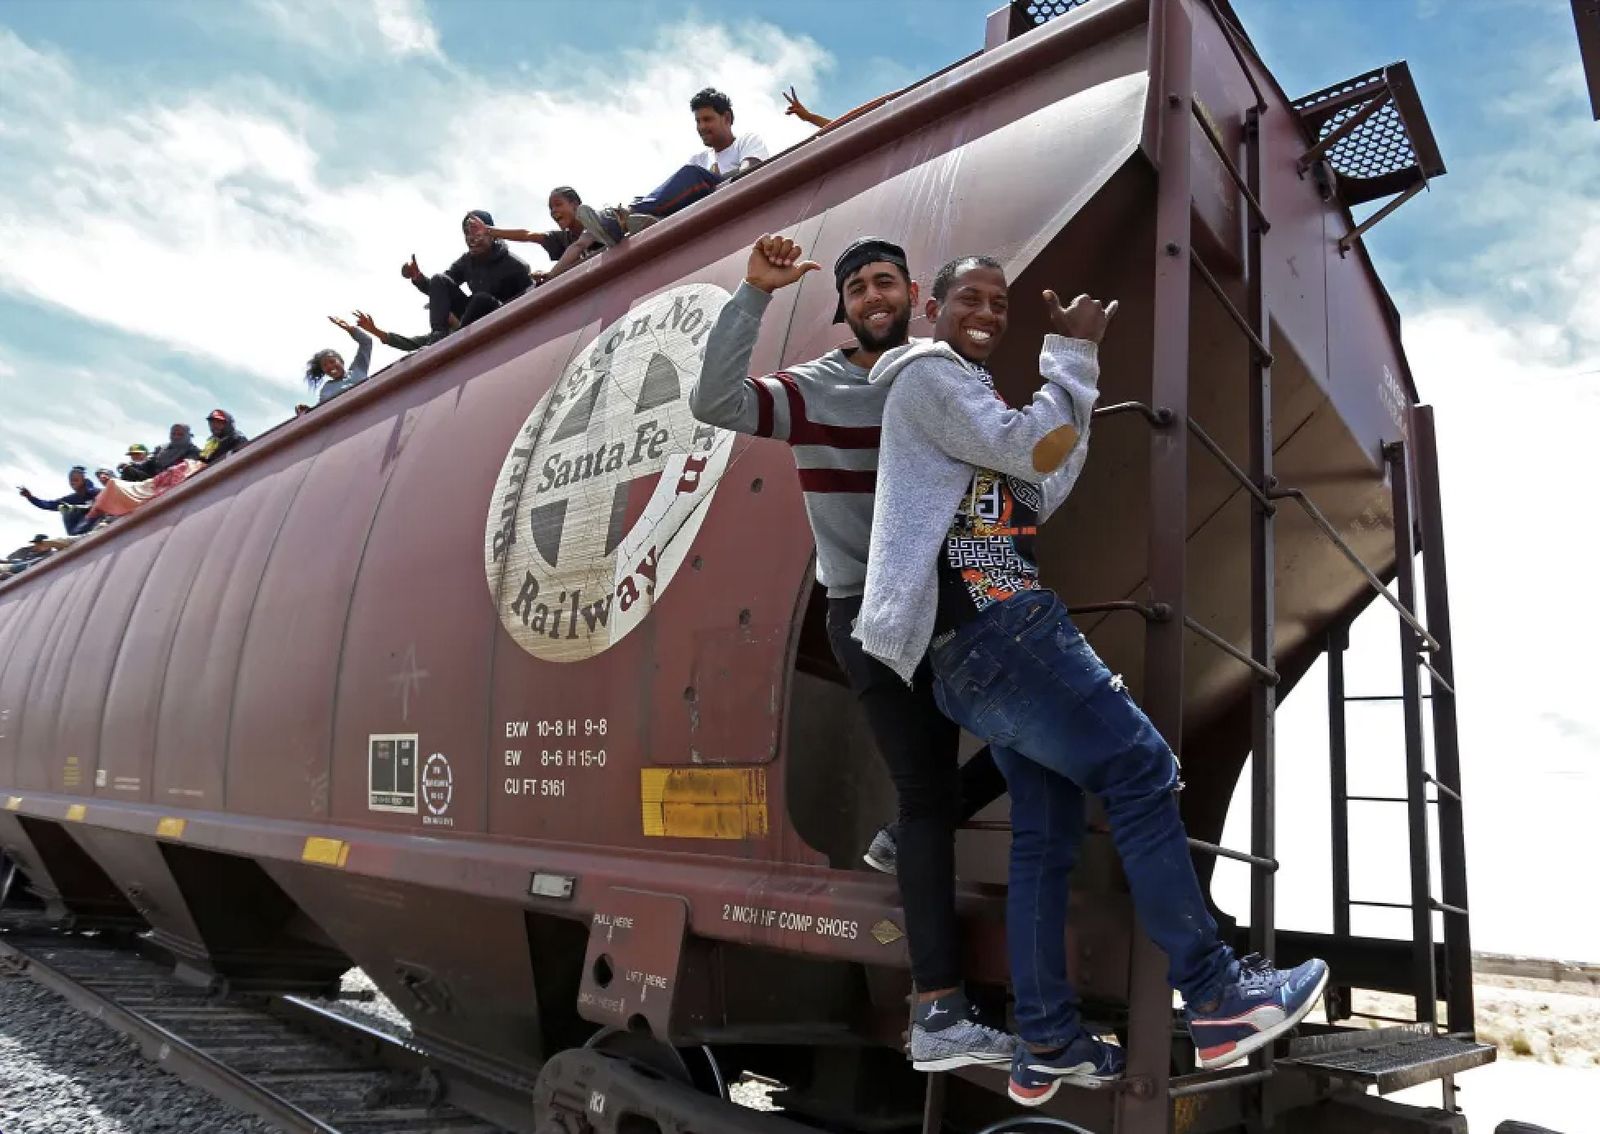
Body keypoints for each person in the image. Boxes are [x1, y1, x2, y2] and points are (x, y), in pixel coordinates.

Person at [855, 256, 1329, 1104]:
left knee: (1046, 830)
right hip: (999, 624)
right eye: (971, 298)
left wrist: (1069, 377)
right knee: (1141, 768)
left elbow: (1049, 471)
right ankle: (1219, 997)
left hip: (981, 645)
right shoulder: (926, 375)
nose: (988, 312)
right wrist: (1069, 357)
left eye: (999, 303)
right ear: (933, 307)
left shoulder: (976, 403)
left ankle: (1046, 1038)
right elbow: (1028, 445)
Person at [693, 235, 1010, 1072]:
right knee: (923, 796)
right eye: (855, 288)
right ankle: (939, 1008)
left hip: (953, 603)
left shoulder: (940, 378)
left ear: (911, 293)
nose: (871, 297)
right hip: (869, 614)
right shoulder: (816, 388)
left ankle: (910, 841)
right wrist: (753, 294)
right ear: (844, 306)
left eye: (882, 283)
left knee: (1034, 738)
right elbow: (716, 402)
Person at [577, 89, 768, 248]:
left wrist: (712, 179)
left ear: (726, 118)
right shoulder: (700, 158)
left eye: (707, 119)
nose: (701, 126)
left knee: (691, 174)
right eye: (698, 121)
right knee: (659, 194)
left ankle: (624, 216)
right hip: (699, 212)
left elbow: (748, 173)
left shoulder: (746, 142)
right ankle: (640, 220)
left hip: (731, 201)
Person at [385, 210, 534, 351]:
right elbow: (440, 290)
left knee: (481, 299)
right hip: (471, 317)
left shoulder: (514, 264)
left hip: (502, 314)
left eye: (475, 231)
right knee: (439, 279)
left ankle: (458, 338)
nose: (471, 237)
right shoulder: (466, 262)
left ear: (491, 233)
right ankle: (438, 336)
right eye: (466, 233)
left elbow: (531, 294)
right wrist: (419, 278)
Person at [469, 188, 623, 286]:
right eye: (551, 208)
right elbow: (528, 235)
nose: (553, 211)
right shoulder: (563, 238)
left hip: (618, 253)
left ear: (574, 204)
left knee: (593, 230)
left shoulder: (594, 219)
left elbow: (579, 246)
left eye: (558, 204)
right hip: (602, 281)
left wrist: (551, 276)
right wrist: (490, 231)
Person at [306, 315, 374, 405]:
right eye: (325, 365)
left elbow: (366, 342)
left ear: (341, 361)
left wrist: (349, 329)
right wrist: (306, 411)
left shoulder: (357, 370)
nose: (330, 366)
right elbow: (321, 409)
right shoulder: (327, 389)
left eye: (332, 361)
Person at [19, 467, 100, 536]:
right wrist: (30, 497)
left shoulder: (95, 492)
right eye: (71, 481)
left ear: (83, 480)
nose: (73, 483)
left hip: (96, 520)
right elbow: (48, 505)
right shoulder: (71, 499)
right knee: (64, 507)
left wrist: (90, 489)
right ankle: (76, 533)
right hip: (80, 528)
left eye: (76, 480)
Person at [122, 424, 201, 482]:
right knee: (128, 470)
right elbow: (147, 464)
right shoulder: (161, 449)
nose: (176, 437)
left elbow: (187, 467)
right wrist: (133, 465)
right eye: (173, 434)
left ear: (187, 436)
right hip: (153, 480)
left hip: (172, 482)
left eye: (180, 435)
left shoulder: (193, 451)